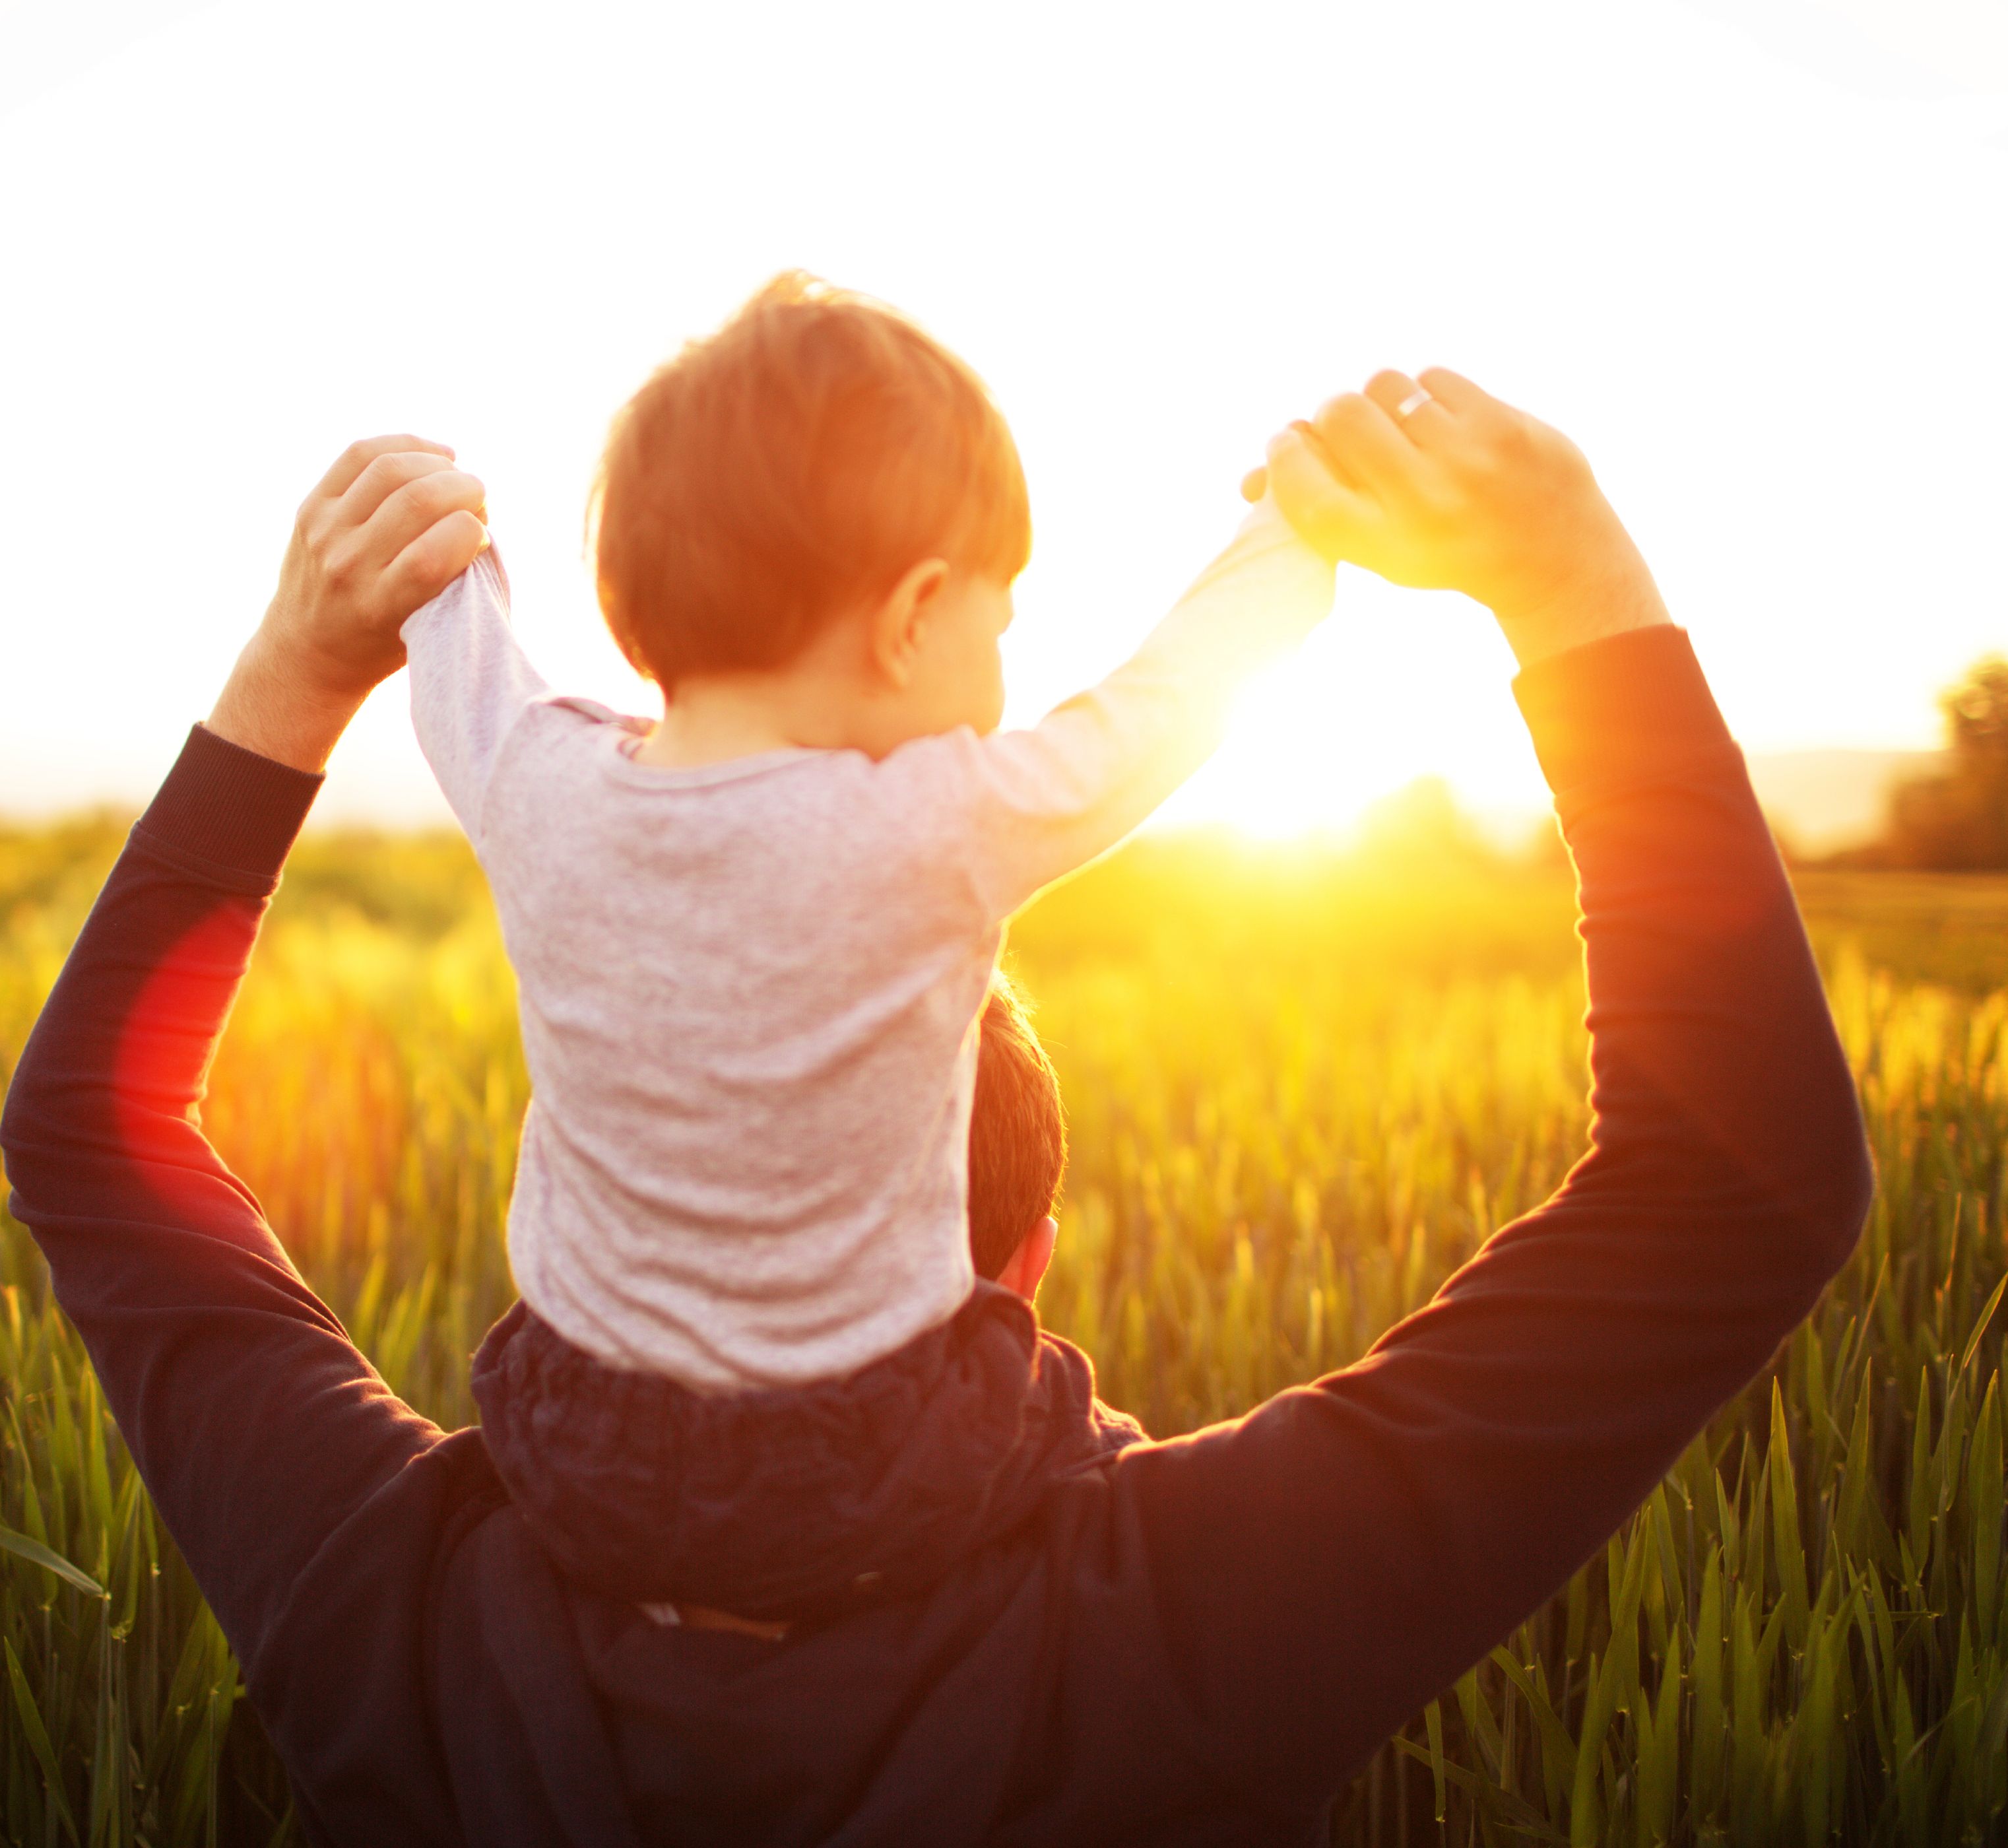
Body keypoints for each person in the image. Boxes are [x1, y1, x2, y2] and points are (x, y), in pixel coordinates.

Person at [0, 366, 1873, 1844]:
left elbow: (94, 1137)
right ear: (1023, 1260)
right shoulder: (1187, 1637)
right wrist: (1568, 583)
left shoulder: (383, 1604)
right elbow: (1736, 1193)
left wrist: (298, 672)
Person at [393, 274, 1332, 1618]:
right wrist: (1293, 533)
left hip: (570, 1447)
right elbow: (1155, 713)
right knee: (1050, 1392)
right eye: (996, 626)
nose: (1006, 671)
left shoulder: (535, 783)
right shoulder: (935, 827)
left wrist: (447, 531)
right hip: (866, 1474)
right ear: (911, 617)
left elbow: (459, 654)